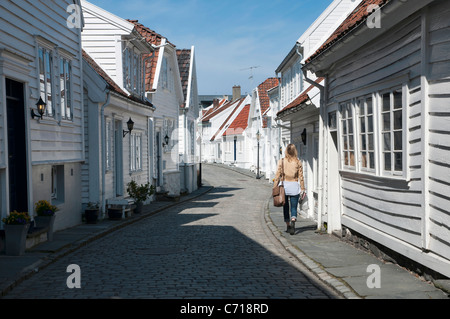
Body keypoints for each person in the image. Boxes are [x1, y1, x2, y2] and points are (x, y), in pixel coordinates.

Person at [274, 144, 305, 235]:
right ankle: (293, 219)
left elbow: (277, 175)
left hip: (284, 187)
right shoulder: (298, 162)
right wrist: (302, 188)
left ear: (286, 151)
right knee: (294, 207)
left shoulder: (282, 161)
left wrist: (275, 186)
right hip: (294, 186)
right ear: (295, 151)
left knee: (285, 206)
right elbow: (301, 177)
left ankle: (288, 225)